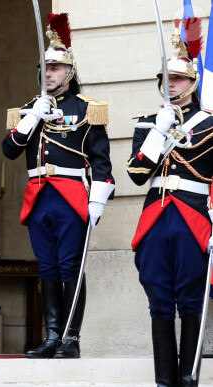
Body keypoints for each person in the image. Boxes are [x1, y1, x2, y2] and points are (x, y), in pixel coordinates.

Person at [2, 13, 114, 359]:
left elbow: (101, 161)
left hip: (70, 198)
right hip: (38, 197)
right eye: (45, 68)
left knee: (69, 269)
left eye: (55, 68)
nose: (48, 74)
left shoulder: (86, 110)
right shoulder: (27, 110)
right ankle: (51, 335)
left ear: (69, 73)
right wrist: (33, 116)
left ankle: (70, 338)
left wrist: (97, 201)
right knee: (47, 268)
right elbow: (9, 150)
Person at [126, 18, 212, 387]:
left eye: (177, 78)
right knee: (159, 297)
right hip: (155, 217)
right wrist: (158, 132)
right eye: (166, 78)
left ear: (192, 83)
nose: (170, 84)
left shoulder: (209, 124)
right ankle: (165, 381)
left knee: (192, 300)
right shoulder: (149, 124)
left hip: (193, 217)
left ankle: (188, 378)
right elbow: (135, 173)